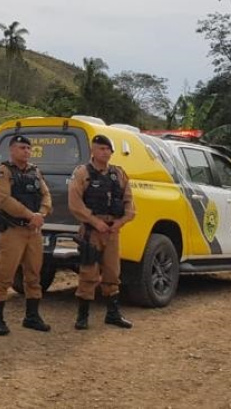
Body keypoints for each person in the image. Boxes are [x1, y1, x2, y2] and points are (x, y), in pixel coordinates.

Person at [67, 134, 135, 330]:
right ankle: (83, 316)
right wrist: (95, 222)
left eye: (108, 150)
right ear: (93, 151)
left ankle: (113, 314)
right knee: (89, 272)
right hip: (91, 231)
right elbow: (75, 203)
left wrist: (120, 222)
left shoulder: (118, 174)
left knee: (113, 272)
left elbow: (129, 202)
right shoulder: (82, 173)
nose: (106, 153)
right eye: (101, 149)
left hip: (112, 230)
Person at [0, 134, 53, 335]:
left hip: (33, 232)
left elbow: (46, 195)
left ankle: (32, 317)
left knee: (34, 275)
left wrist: (41, 214)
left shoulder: (35, 171)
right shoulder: (4, 171)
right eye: (21, 147)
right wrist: (29, 215)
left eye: (28, 148)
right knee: (5, 275)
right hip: (13, 230)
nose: (25, 151)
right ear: (12, 150)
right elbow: (4, 199)